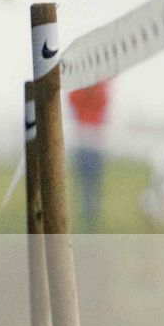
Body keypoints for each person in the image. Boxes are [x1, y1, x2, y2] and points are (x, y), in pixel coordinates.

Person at [67, 79, 110, 232]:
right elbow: (72, 100)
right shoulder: (78, 90)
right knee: (84, 181)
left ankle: (93, 214)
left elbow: (104, 101)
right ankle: (86, 213)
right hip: (82, 143)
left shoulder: (101, 88)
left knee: (94, 182)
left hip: (96, 144)